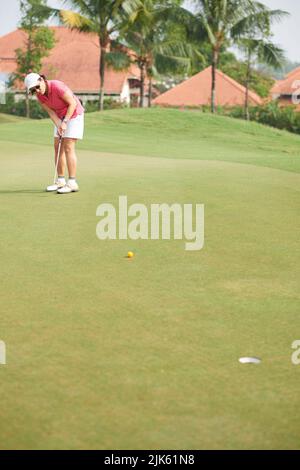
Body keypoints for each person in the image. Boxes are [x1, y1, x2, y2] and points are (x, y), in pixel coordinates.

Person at [24, 73, 84, 194]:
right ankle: (61, 181)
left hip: (74, 115)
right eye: (33, 90)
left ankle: (72, 182)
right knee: (58, 147)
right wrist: (59, 125)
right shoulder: (40, 96)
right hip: (60, 117)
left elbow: (72, 103)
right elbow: (51, 113)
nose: (36, 90)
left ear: (41, 80)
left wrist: (65, 122)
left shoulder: (57, 86)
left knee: (68, 147)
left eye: (37, 86)